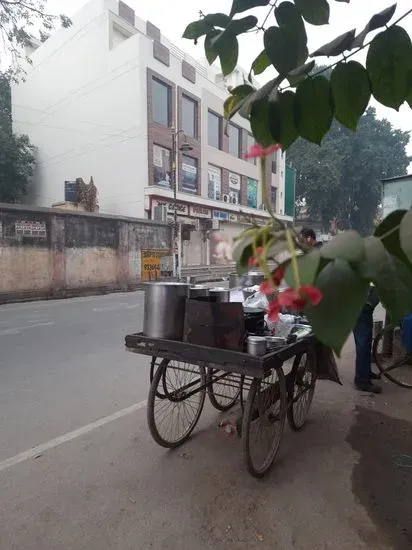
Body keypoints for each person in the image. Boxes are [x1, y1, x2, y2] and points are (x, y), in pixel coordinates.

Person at [353, 285, 381, 393]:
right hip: (362, 306)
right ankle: (362, 381)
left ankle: (365, 372)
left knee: (365, 342)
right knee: (363, 344)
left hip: (365, 306)